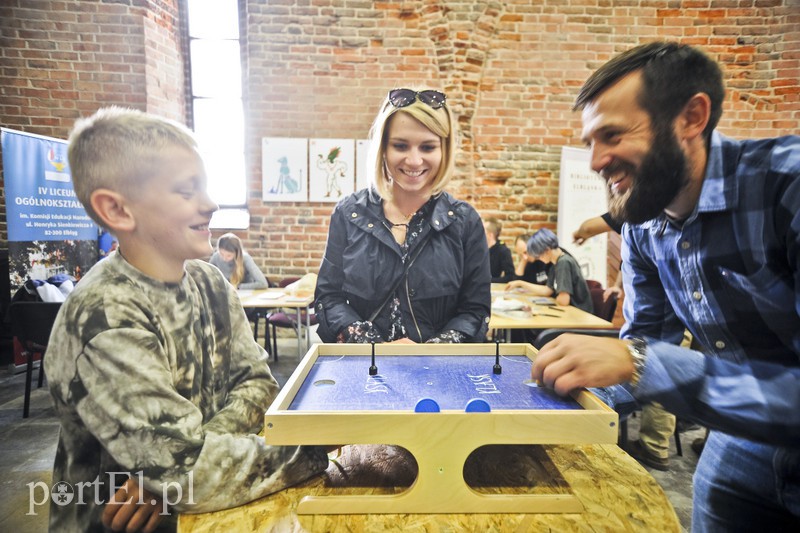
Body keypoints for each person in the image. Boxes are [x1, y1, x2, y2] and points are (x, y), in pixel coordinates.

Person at [533, 41, 800, 531]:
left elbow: (642, 359)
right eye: (590, 140)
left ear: (692, 117)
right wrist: (537, 404)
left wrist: (638, 362)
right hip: (739, 442)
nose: (595, 161)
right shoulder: (642, 224)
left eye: (612, 135)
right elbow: (646, 341)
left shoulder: (787, 184)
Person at [45, 107, 329, 532]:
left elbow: (258, 385)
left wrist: (171, 468)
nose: (211, 203)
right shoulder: (103, 317)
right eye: (186, 191)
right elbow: (192, 475)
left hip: (210, 510)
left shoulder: (209, 281)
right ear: (118, 210)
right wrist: (319, 446)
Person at [314, 88, 491, 344]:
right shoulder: (349, 213)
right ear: (383, 148)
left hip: (439, 373)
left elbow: (474, 311)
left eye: (428, 147)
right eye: (400, 145)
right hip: (363, 368)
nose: (414, 160)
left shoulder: (465, 222)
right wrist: (374, 346)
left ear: (444, 150)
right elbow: (329, 298)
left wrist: (429, 351)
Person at [574, 212, 675, 470]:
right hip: (651, 331)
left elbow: (589, 225)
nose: (597, 168)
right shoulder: (637, 229)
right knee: (653, 366)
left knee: (662, 373)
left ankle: (655, 448)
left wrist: (582, 232)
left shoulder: (636, 207)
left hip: (668, 328)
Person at [506, 228, 593, 314]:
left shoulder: (563, 263)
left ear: (547, 250)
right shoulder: (555, 263)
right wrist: (521, 283)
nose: (538, 259)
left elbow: (563, 301)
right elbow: (548, 290)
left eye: (538, 255)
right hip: (570, 312)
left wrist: (553, 299)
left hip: (578, 314)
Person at [484, 217, 515, 283]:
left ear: (490, 235)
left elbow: (510, 276)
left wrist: (488, 281)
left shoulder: (503, 251)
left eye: (483, 231)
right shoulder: (478, 248)